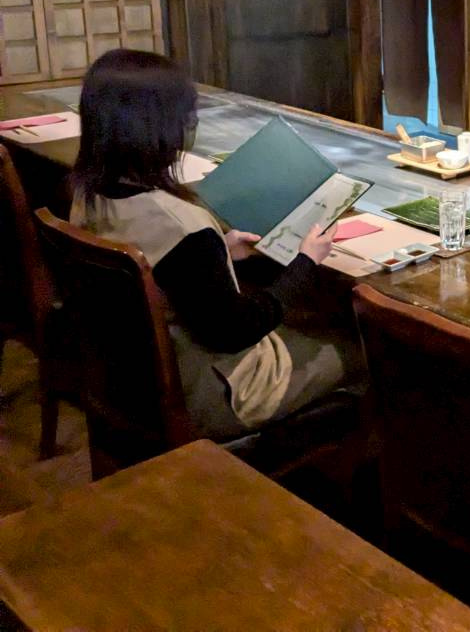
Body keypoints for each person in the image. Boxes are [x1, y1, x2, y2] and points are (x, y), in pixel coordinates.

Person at [70, 49, 363, 439]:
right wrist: (305, 262)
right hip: (214, 393)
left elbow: (169, 274)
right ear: (158, 128)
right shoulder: (184, 228)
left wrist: (221, 250)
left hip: (125, 379)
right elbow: (235, 330)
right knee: (363, 347)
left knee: (309, 324)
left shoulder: (86, 196)